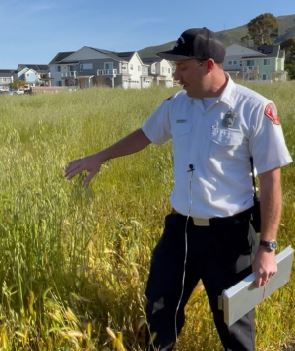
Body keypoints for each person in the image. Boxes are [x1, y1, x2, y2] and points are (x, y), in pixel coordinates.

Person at [65, 27, 292, 351]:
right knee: (159, 308)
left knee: (235, 327)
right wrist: (99, 157)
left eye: (182, 67)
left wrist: (267, 247)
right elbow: (144, 135)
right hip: (180, 231)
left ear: (208, 64)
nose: (176, 75)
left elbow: (272, 180)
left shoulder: (254, 108)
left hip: (231, 238)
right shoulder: (177, 106)